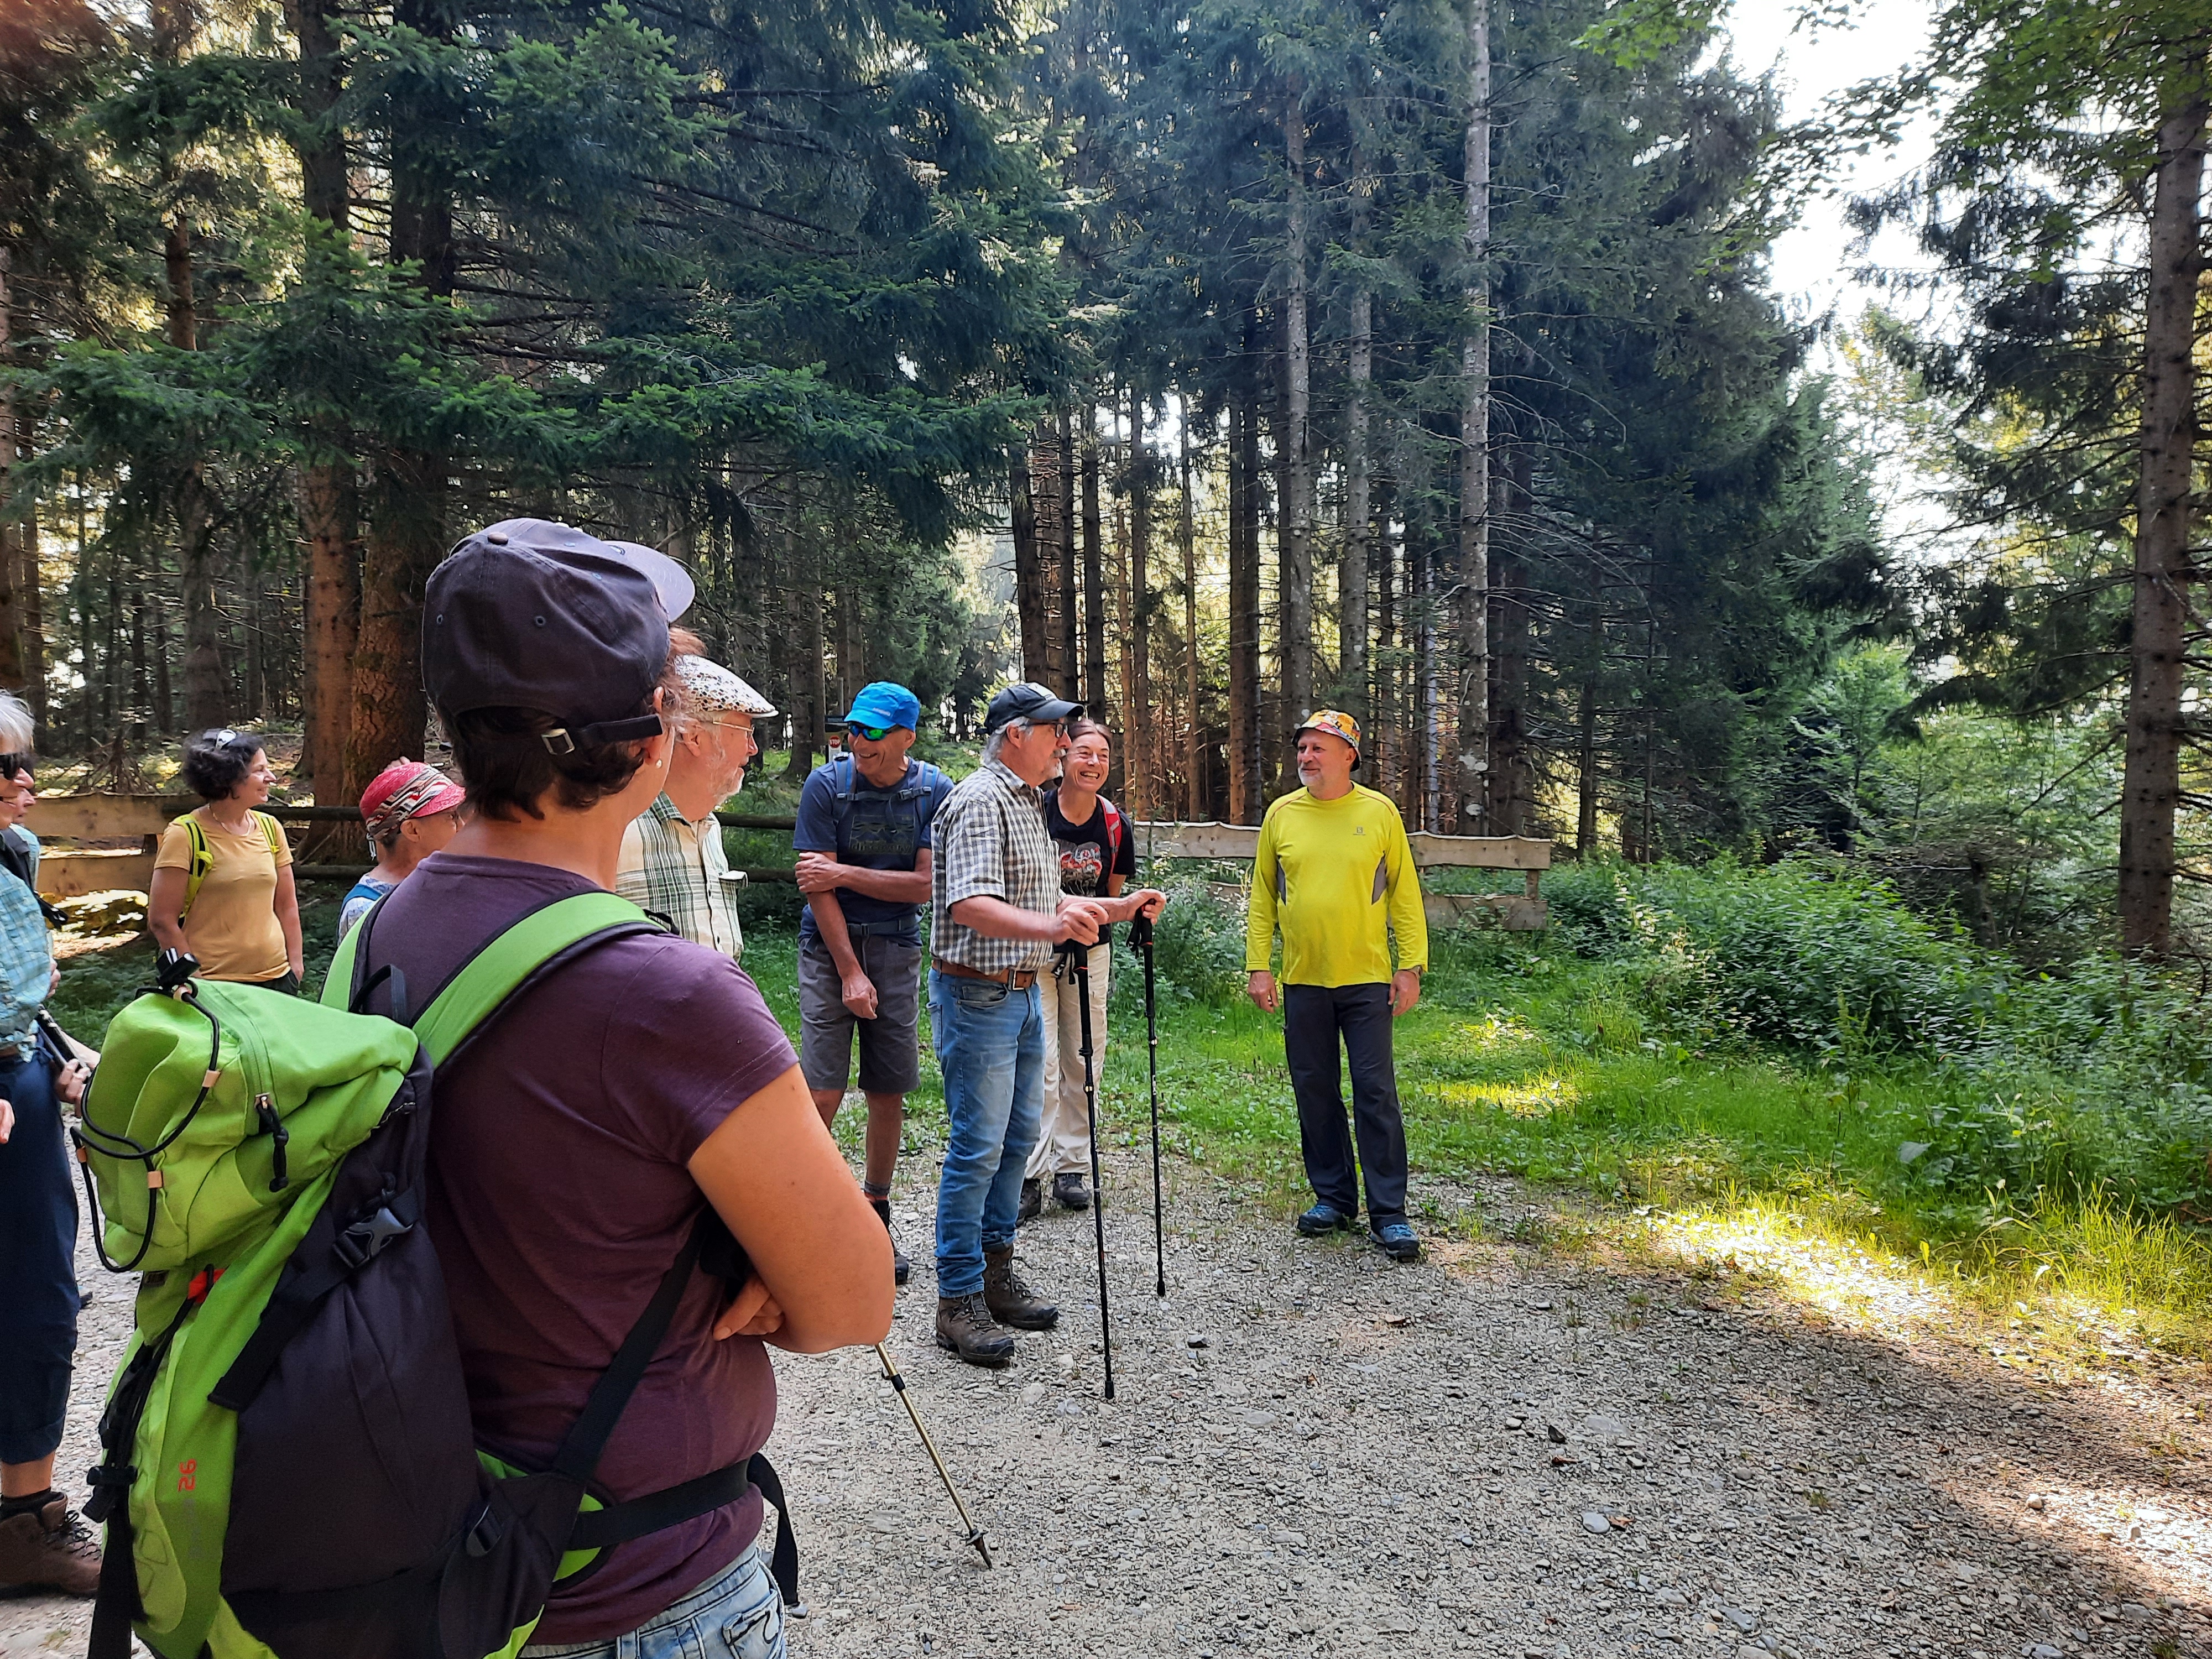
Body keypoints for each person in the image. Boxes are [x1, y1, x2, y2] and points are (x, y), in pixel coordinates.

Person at [350, 518, 890, 1655]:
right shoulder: (666, 994)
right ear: (649, 743)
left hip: (442, 1551)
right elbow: (852, 1299)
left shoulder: (388, 923)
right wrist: (750, 1272)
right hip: (638, 1587)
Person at [926, 683, 1155, 1367]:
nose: (1066, 743)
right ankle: (957, 1297)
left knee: (1014, 1139)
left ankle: (995, 1277)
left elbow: (1038, 897)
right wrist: (1051, 926)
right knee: (977, 1148)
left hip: (1022, 993)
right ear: (1016, 734)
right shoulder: (978, 801)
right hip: (977, 996)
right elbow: (969, 904)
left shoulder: (1026, 801)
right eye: (1056, 731)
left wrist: (1120, 908)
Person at [1245, 710, 1429, 1262]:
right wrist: (1259, 966)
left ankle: (1389, 1213)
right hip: (1303, 980)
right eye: (1302, 748)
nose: (1306, 757)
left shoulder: (1378, 813)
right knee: (1315, 1091)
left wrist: (1410, 965)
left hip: (1367, 979)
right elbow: (1261, 898)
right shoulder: (1281, 815)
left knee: (1375, 1094)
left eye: (1318, 748)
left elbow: (1403, 893)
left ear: (1349, 754)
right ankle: (1333, 1198)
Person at [791, 682, 952, 1290]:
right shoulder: (825, 786)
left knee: (888, 1090)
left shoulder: (933, 791)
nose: (859, 741)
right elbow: (816, 886)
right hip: (826, 947)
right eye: (855, 729)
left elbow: (922, 886)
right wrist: (850, 971)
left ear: (907, 736)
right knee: (824, 1090)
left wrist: (843, 871)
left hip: (896, 947)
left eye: (875, 732)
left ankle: (875, 1210)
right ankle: (803, 1215)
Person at [0, 693, 99, 1596]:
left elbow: (16, 993)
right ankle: (24, 1530)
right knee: (32, 1299)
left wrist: (54, 1052)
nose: (24, 780)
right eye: (4, 767)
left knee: (40, 1298)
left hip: (22, 1097)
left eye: (24, 761)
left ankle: (24, 1511)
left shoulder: (12, 856)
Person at [1020, 716, 1164, 1220]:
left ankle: (1072, 1166)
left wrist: (1129, 911)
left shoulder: (1113, 823)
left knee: (1085, 1057)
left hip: (1091, 951)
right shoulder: (1035, 811)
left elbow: (1112, 895)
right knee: (1037, 1062)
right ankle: (1029, 1174)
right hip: (1038, 948)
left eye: (1103, 756)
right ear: (1063, 756)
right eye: (1084, 752)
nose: (1094, 763)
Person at [614, 653, 776, 962]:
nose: (753, 749)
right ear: (694, 735)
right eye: (746, 731)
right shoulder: (619, 829)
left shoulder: (709, 827)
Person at [148, 729, 304, 991]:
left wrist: (295, 965)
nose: (271, 777)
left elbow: (287, 904)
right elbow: (162, 919)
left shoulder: (271, 828)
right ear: (230, 779)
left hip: (278, 979)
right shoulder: (185, 834)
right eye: (260, 770)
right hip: (215, 984)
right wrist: (192, 977)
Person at [338, 759, 465, 938]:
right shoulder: (364, 909)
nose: (463, 825)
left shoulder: (447, 882)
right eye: (452, 817)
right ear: (412, 830)